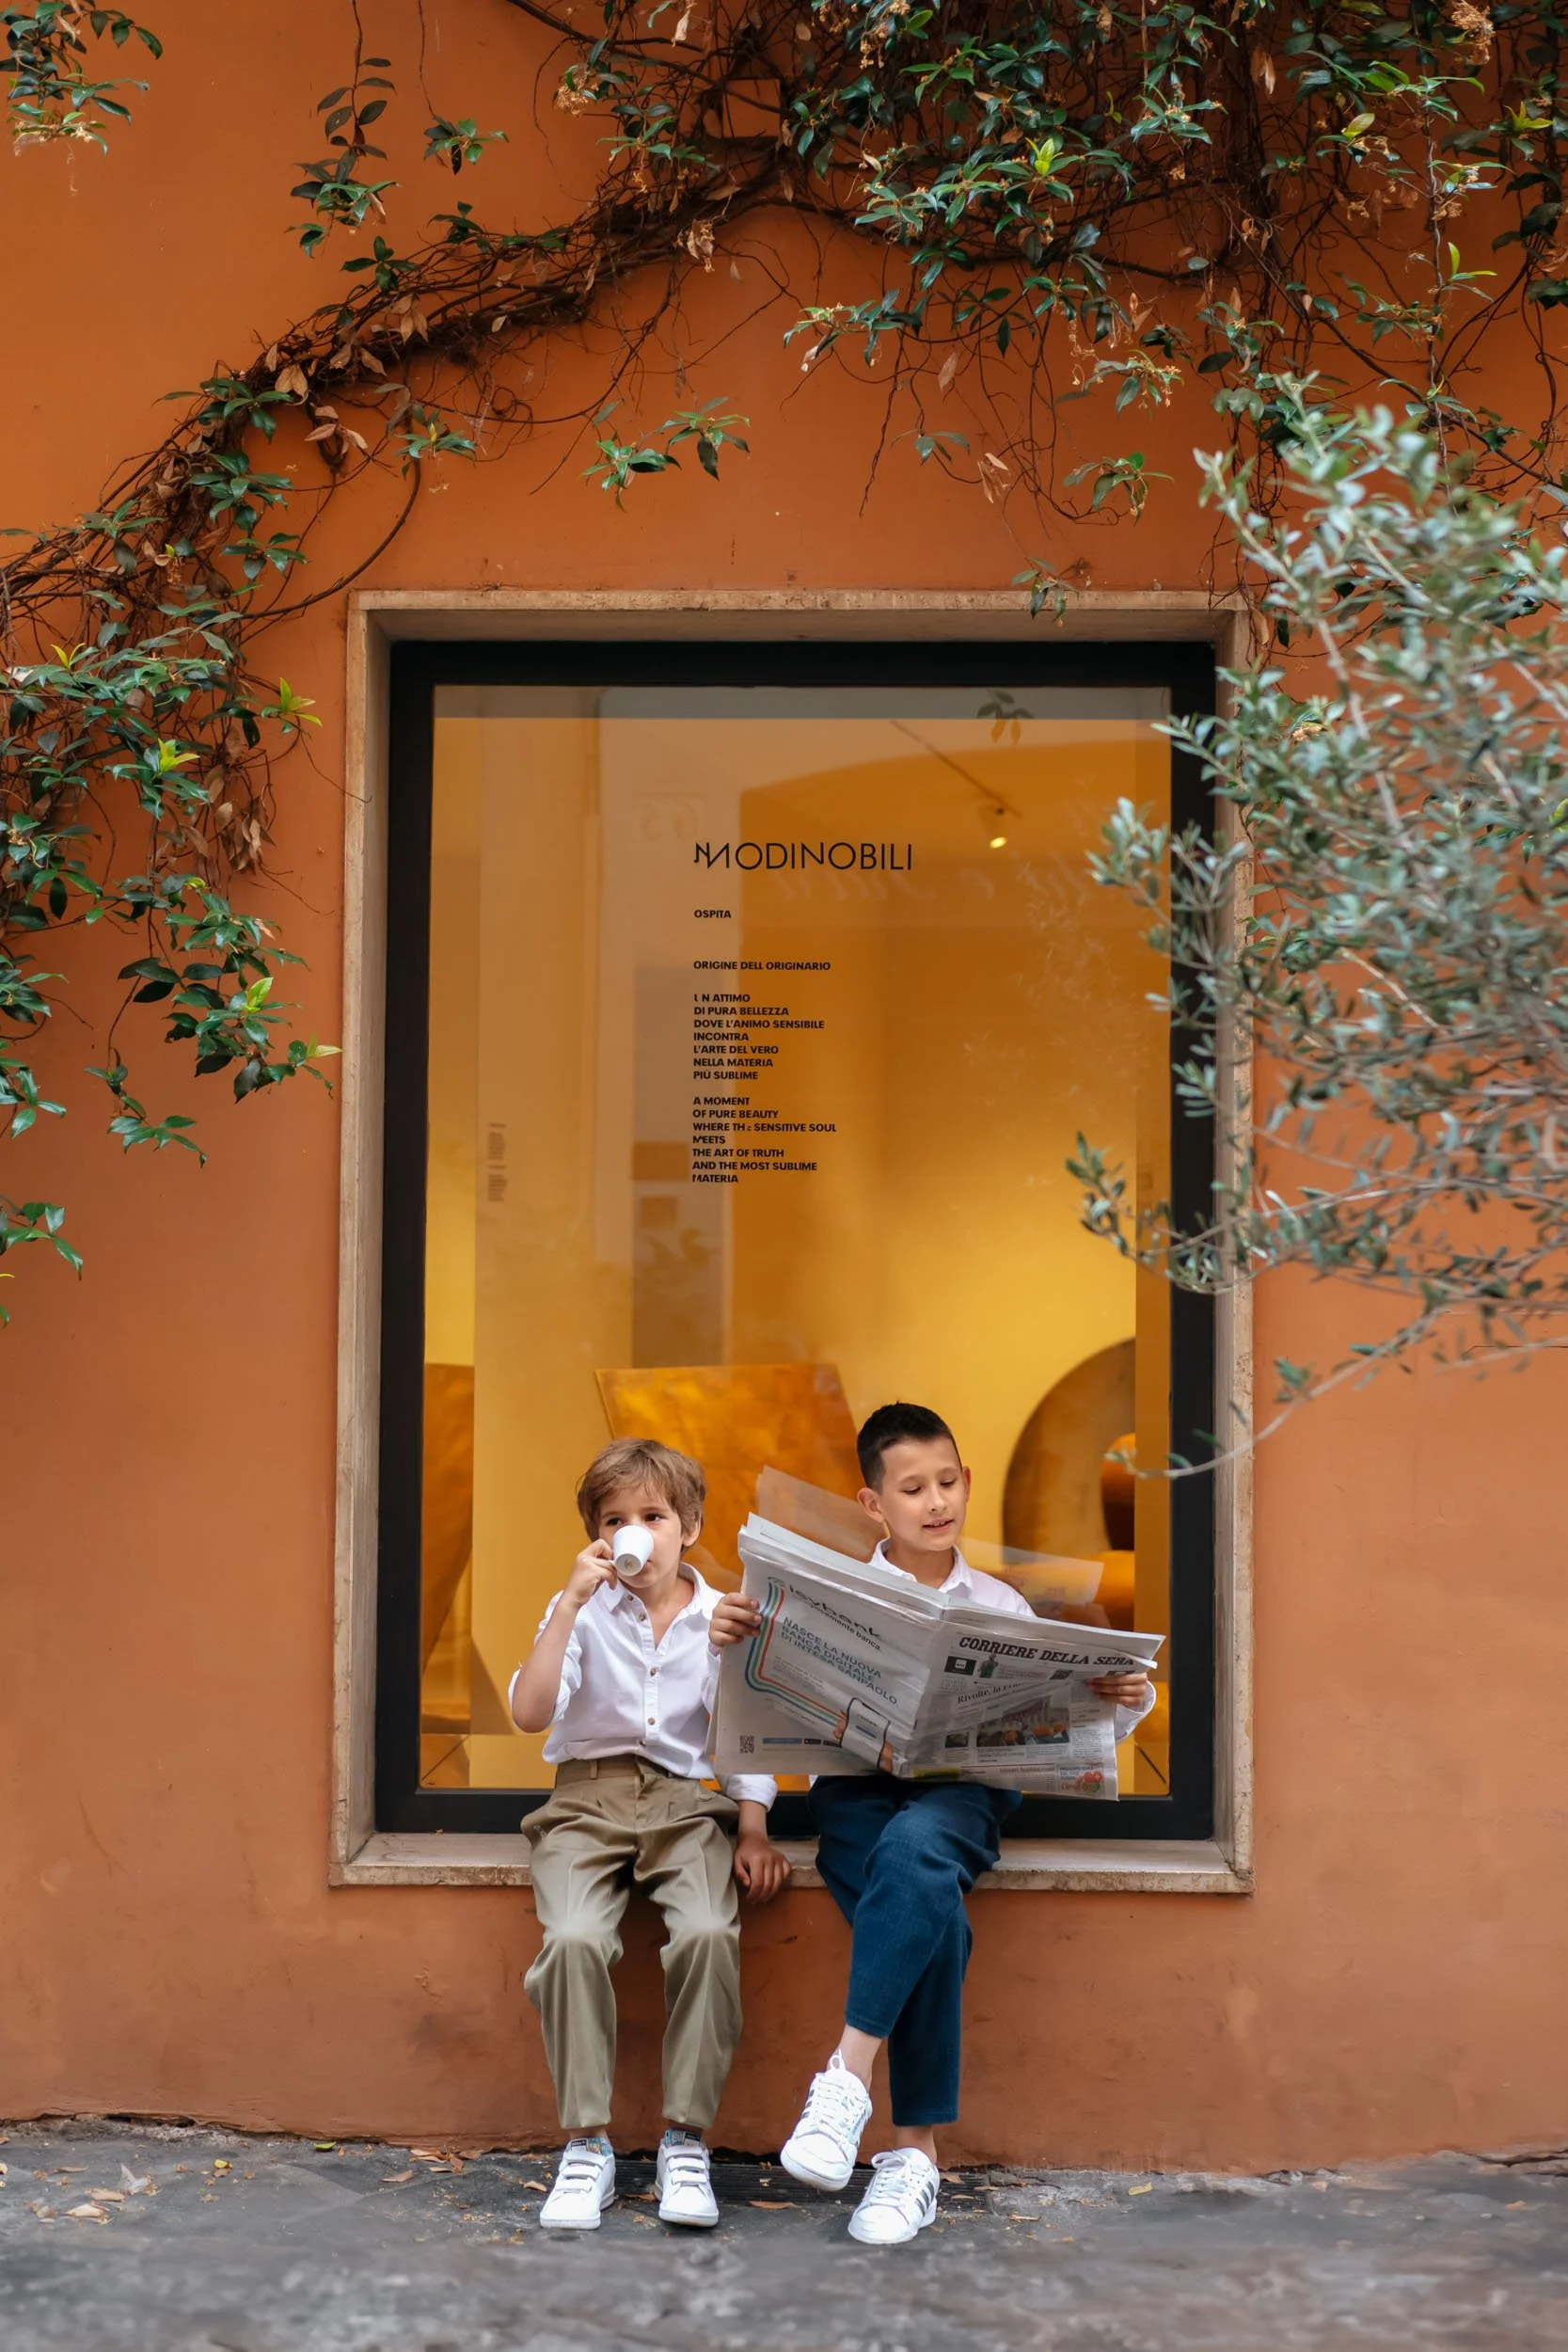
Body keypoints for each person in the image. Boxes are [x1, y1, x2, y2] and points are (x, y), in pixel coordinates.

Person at [710, 1400, 1155, 2246]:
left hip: (964, 1794)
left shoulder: (1001, 1604)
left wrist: (1124, 1699)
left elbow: (1066, 1726)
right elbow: (755, 1710)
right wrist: (753, 1812)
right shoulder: (828, 1596)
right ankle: (913, 2160)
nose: (935, 1500)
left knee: (917, 1849)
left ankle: (844, 2081)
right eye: (911, 1487)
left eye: (948, 1481)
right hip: (854, 1791)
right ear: (873, 1503)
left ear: (966, 1482)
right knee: (928, 1910)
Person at [508, 1437, 787, 2232]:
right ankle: (588, 2145)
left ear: (688, 1526)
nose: (637, 1531)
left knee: (704, 1931)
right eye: (616, 1518)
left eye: (654, 1515)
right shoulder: (581, 1613)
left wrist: (754, 1828)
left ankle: (685, 2140)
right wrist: (567, 1603)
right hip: (584, 1801)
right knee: (570, 1939)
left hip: (683, 1803)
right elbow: (530, 1714)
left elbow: (744, 1736)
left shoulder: (720, 1619)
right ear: (598, 1535)